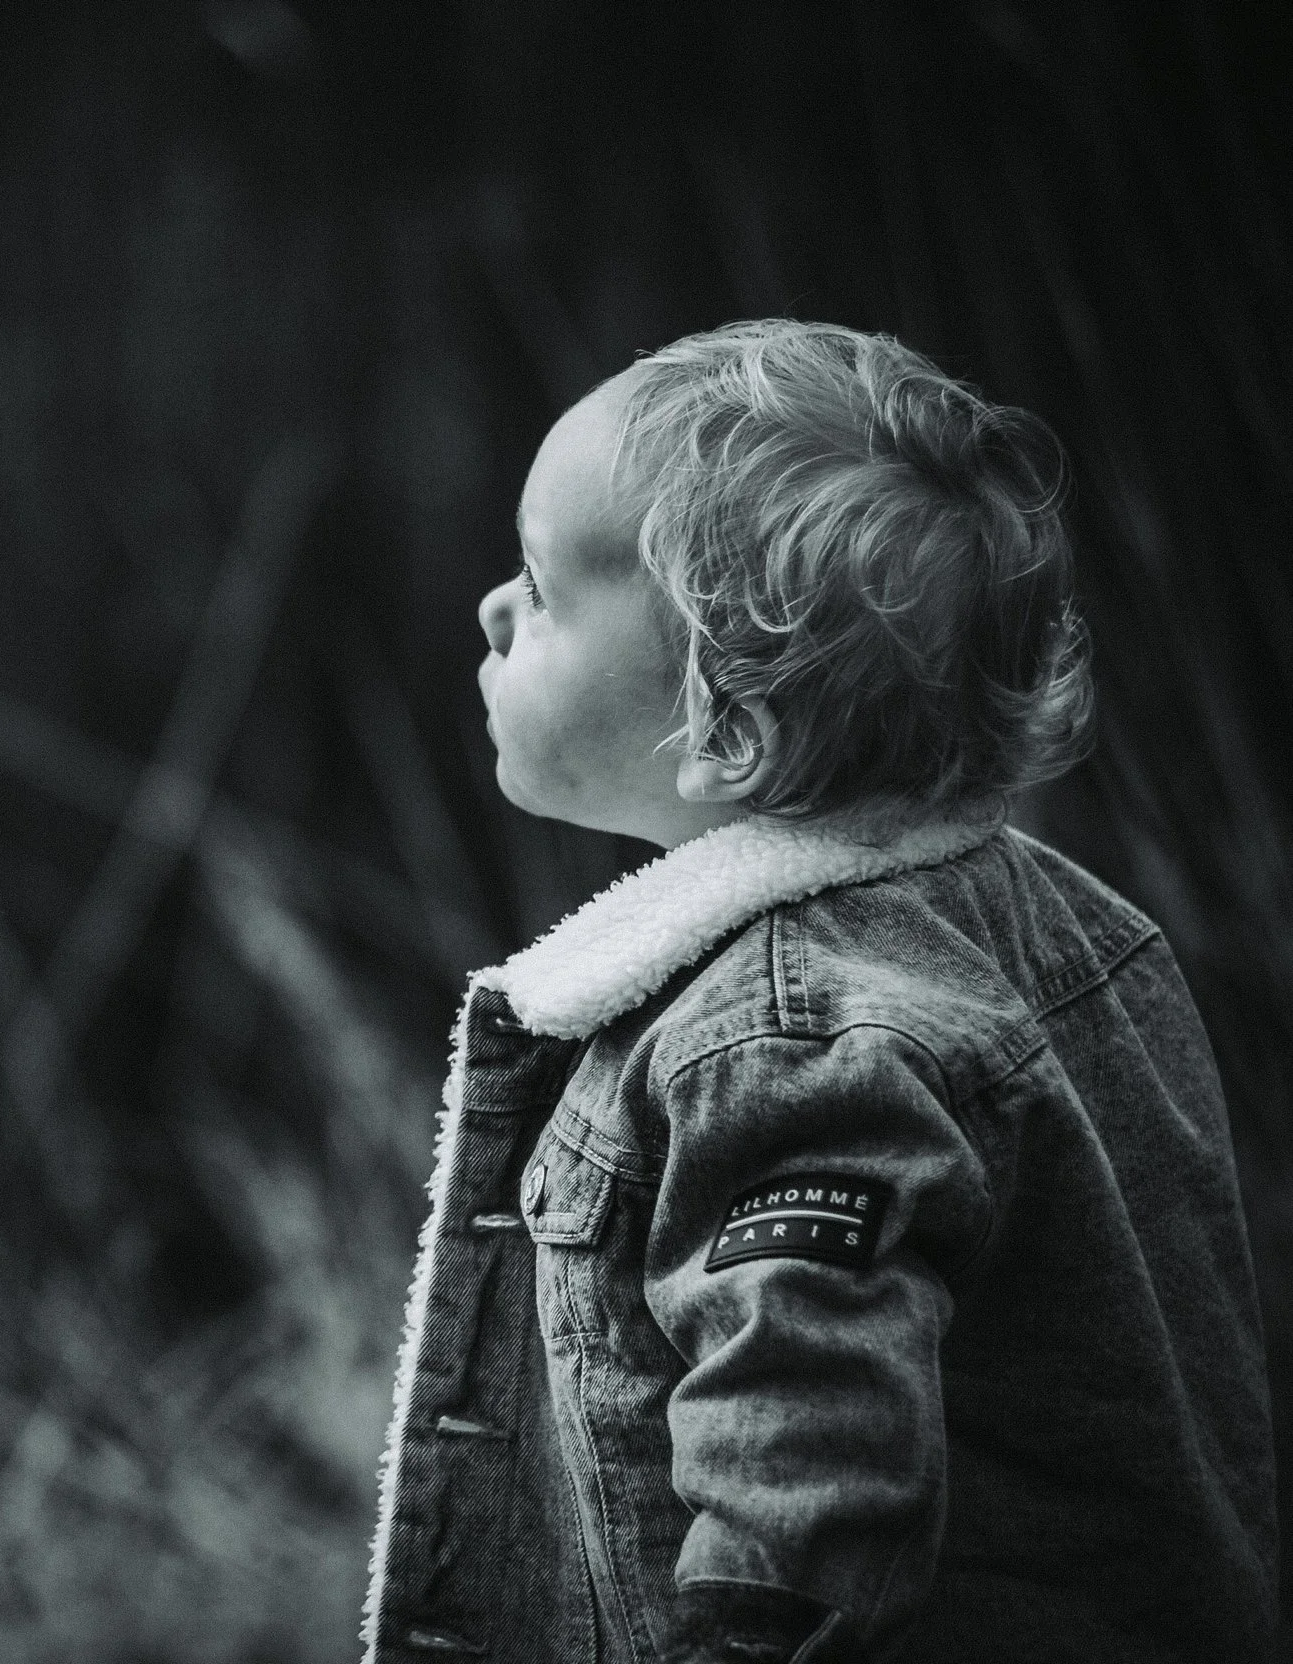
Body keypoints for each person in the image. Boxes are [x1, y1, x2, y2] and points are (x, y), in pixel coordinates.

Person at [360, 320, 1277, 1663]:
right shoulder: (1088, 932)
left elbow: (804, 1490)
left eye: (545, 589)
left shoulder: (787, 1047)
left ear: (726, 727)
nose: (497, 610)